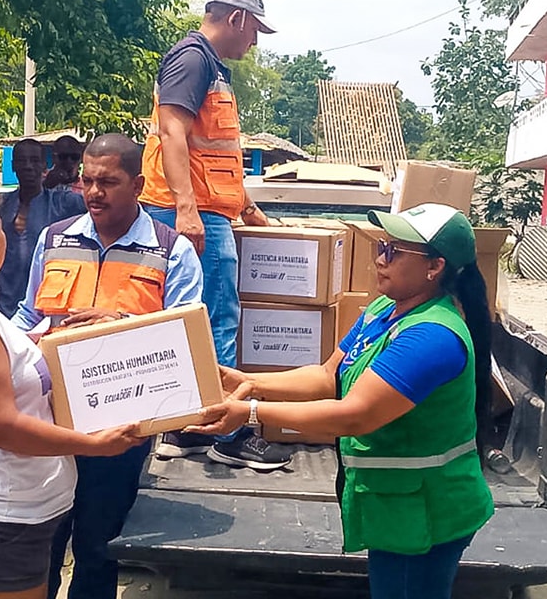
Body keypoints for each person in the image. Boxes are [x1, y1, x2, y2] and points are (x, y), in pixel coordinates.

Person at [188, 203, 495, 599]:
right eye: (381, 246)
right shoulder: (385, 309)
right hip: (400, 504)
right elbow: (328, 375)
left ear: (434, 267)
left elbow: (354, 415)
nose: (380, 259)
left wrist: (249, 412)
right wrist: (249, 380)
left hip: (426, 510)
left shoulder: (432, 336)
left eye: (394, 251)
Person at [0, 166, 142, 599]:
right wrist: (93, 444)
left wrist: (51, 341)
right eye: (0, 230)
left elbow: (7, 364)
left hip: (13, 517)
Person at [11, 134, 203, 599]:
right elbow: (30, 315)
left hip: (120, 430)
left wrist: (119, 323)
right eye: (88, 181)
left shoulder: (171, 251)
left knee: (98, 547)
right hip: (51, 421)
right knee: (42, 544)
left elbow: (186, 342)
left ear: (137, 185)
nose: (94, 192)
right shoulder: (53, 239)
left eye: (108, 182)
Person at [139, 0, 285, 469]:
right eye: (255, 30)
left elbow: (214, 154)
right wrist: (186, 208)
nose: (255, 42)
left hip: (205, 209)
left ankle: (188, 429)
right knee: (216, 319)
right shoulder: (193, 59)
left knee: (196, 319)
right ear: (236, 18)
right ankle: (225, 433)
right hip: (191, 212)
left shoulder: (210, 66)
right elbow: (172, 132)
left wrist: (248, 208)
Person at [0, 139, 85, 318]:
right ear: (13, 166)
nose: (28, 166)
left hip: (43, 306)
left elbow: (104, 211)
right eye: (22, 161)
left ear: (44, 166)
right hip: (1, 304)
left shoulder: (64, 203)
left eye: (34, 161)